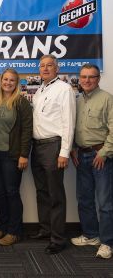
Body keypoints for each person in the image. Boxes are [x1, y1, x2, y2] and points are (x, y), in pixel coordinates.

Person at [30, 55, 76, 254]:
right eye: (42, 66)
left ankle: (57, 239)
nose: (45, 68)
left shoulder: (64, 89)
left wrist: (64, 152)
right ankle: (46, 229)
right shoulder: (40, 89)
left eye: (50, 65)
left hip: (54, 146)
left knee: (55, 194)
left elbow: (68, 122)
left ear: (57, 69)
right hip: (37, 146)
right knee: (42, 191)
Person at [0, 68, 33, 246]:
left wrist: (24, 154)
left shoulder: (21, 102)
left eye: (12, 80)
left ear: (16, 83)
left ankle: (14, 231)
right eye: (5, 79)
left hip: (11, 155)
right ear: (0, 80)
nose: (8, 83)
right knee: (0, 193)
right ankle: (1, 227)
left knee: (12, 192)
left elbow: (27, 130)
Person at [70, 64, 113, 259]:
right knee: (84, 199)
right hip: (82, 155)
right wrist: (72, 148)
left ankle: (107, 243)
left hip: (100, 157)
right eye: (84, 77)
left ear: (98, 79)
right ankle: (91, 235)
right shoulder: (77, 100)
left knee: (104, 203)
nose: (87, 80)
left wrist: (104, 152)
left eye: (91, 77)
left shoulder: (107, 99)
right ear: (79, 78)